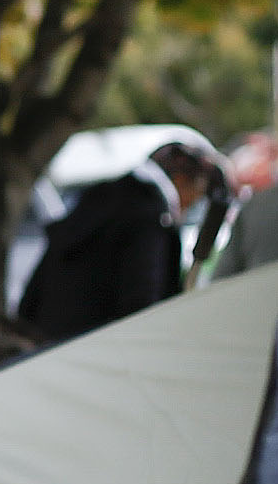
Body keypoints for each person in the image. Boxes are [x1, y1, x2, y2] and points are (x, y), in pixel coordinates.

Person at [15, 132, 230, 341]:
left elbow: (41, 280)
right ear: (181, 180)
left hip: (47, 342)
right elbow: (142, 307)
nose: (191, 204)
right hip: (95, 351)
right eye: (196, 195)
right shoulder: (148, 220)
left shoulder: (101, 197)